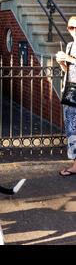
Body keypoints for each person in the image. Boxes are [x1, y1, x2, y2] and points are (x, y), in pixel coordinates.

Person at [56, 15, 76, 177]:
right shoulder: (69, 45)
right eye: (70, 28)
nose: (73, 31)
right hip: (70, 91)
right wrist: (63, 63)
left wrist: (69, 58)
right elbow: (68, 71)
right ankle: (75, 163)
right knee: (71, 129)